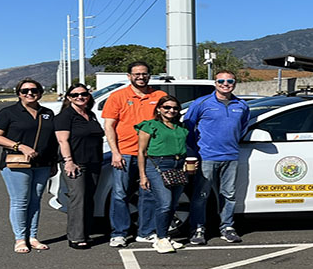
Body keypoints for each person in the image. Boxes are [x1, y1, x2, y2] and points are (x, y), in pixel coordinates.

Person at [101, 61, 166, 247]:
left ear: (149, 75)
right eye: (136, 74)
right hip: (126, 153)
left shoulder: (159, 96)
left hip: (151, 155)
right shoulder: (118, 96)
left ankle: (145, 232)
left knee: (149, 193)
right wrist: (115, 152)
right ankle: (119, 233)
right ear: (129, 76)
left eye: (144, 73)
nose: (141, 77)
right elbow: (109, 126)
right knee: (120, 194)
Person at [0, 79, 58, 254]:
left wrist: (53, 163)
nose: (29, 93)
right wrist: (19, 146)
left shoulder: (47, 113)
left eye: (33, 90)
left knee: (35, 201)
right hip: (16, 163)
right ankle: (20, 239)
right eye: (24, 90)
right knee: (20, 201)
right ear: (19, 93)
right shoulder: (8, 112)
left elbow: (52, 141)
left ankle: (32, 237)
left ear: (40, 92)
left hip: (42, 164)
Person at [184, 70, 250, 245]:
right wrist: (195, 150)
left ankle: (227, 227)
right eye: (221, 80)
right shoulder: (202, 103)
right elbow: (188, 128)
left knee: (229, 194)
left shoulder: (242, 105)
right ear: (215, 83)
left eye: (230, 81)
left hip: (231, 156)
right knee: (201, 195)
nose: (225, 84)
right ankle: (198, 229)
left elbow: (242, 128)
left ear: (235, 83)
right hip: (206, 156)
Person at [136, 95, 189, 253]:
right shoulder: (150, 126)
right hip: (158, 165)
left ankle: (165, 235)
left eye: (174, 108)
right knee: (164, 203)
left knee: (173, 204)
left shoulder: (180, 127)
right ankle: (160, 238)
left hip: (178, 165)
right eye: (167, 107)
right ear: (159, 109)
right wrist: (143, 175)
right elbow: (141, 151)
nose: (171, 110)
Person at [54, 83, 104, 249]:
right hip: (76, 163)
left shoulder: (90, 114)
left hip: (94, 162)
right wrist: (68, 161)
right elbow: (63, 140)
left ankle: (86, 232)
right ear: (69, 98)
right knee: (78, 198)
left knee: (89, 198)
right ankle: (75, 236)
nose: (80, 97)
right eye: (75, 95)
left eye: (83, 94)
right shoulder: (66, 116)